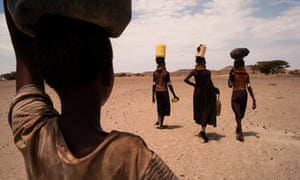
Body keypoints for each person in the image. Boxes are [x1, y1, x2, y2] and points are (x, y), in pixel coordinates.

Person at [5, 0, 178, 179]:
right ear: (106, 74)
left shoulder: (33, 134)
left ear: (47, 74)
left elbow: (24, 57)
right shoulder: (133, 159)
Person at [184, 44, 220, 143]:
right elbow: (210, 83)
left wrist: (194, 85)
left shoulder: (194, 71)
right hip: (207, 93)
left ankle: (202, 130)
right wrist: (215, 89)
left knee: (200, 110)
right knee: (205, 110)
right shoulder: (207, 72)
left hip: (197, 93)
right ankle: (203, 131)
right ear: (204, 62)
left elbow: (185, 80)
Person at [228, 48, 256, 142]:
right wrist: (253, 99)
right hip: (244, 94)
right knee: (240, 114)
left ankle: (239, 128)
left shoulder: (233, 74)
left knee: (238, 114)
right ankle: (240, 132)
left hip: (236, 94)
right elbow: (249, 86)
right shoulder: (246, 75)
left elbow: (229, 85)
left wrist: (230, 76)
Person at [152, 44, 179, 129]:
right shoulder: (166, 73)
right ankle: (161, 125)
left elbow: (153, 84)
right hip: (164, 91)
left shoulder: (155, 73)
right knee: (163, 107)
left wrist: (152, 95)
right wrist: (174, 94)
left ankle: (159, 121)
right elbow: (169, 84)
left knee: (159, 106)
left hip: (157, 91)